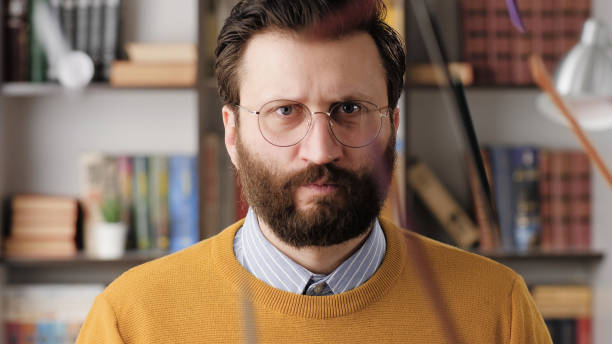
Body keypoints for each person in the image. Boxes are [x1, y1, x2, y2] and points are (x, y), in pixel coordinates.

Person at [77, 0, 552, 343]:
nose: (320, 151)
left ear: (393, 125)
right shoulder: (131, 321)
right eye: (284, 111)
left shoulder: (498, 311)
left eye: (350, 107)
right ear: (232, 132)